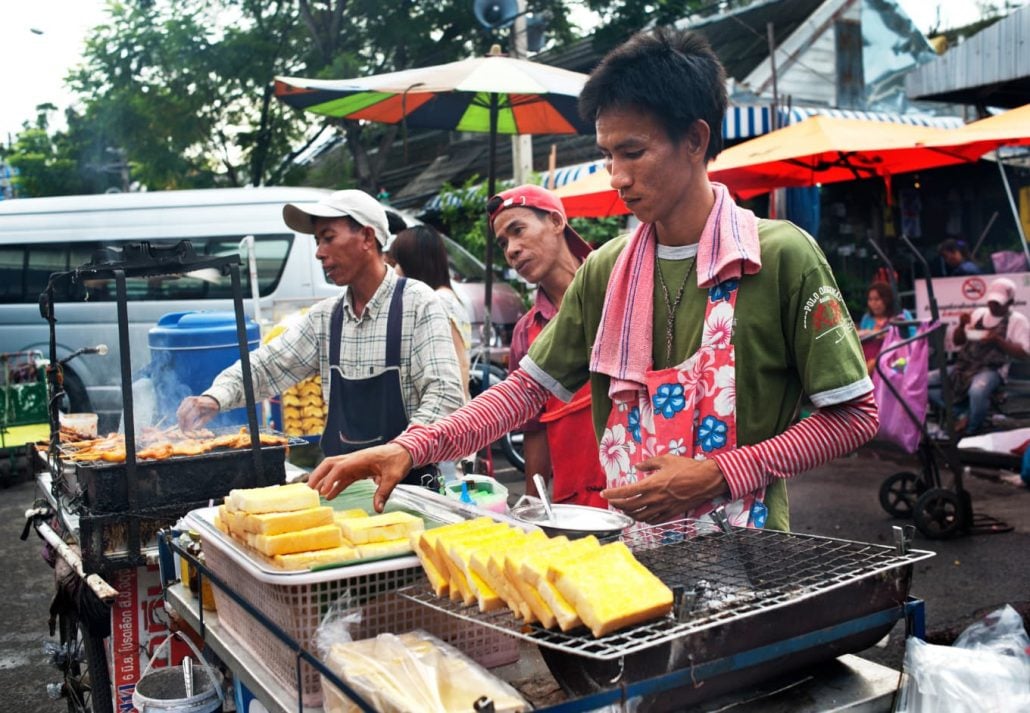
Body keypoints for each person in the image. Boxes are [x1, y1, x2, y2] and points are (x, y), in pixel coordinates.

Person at [307, 28, 878, 531]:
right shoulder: (607, 270)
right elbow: (526, 391)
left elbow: (854, 414)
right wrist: (411, 448)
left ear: (696, 140)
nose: (617, 177)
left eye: (633, 152)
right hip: (627, 548)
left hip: (751, 551)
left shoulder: (777, 257)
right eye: (607, 155)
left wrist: (717, 473)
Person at [176, 190, 465, 484]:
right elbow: (268, 365)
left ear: (366, 238)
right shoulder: (326, 318)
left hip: (407, 488)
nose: (319, 252)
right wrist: (216, 396)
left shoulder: (418, 304)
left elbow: (445, 393)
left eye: (328, 238)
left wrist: (401, 450)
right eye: (317, 241)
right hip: (343, 488)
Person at [493, 184, 607, 507]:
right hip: (576, 508)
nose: (512, 250)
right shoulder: (525, 333)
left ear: (557, 222)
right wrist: (534, 505)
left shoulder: (617, 286)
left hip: (640, 496)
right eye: (503, 243)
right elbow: (533, 430)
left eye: (518, 231)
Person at [930, 278, 1030, 435]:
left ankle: (971, 430)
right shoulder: (979, 314)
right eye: (992, 301)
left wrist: (997, 340)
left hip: (992, 369)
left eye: (999, 302)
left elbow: (1025, 353)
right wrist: (962, 325)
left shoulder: (1017, 321)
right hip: (965, 365)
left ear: (1010, 302)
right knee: (923, 382)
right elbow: (958, 341)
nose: (993, 306)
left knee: (977, 391)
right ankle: (962, 413)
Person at [388, 225, 472, 399]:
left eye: (398, 263)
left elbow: (459, 364)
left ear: (414, 263)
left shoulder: (438, 301)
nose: (394, 271)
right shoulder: (448, 297)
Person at [858, 281, 913, 373]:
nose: (873, 303)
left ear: (886, 299)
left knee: (874, 363)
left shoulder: (902, 315)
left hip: (897, 358)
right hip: (869, 358)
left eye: (877, 299)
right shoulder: (867, 318)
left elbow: (912, 338)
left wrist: (886, 335)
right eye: (870, 300)